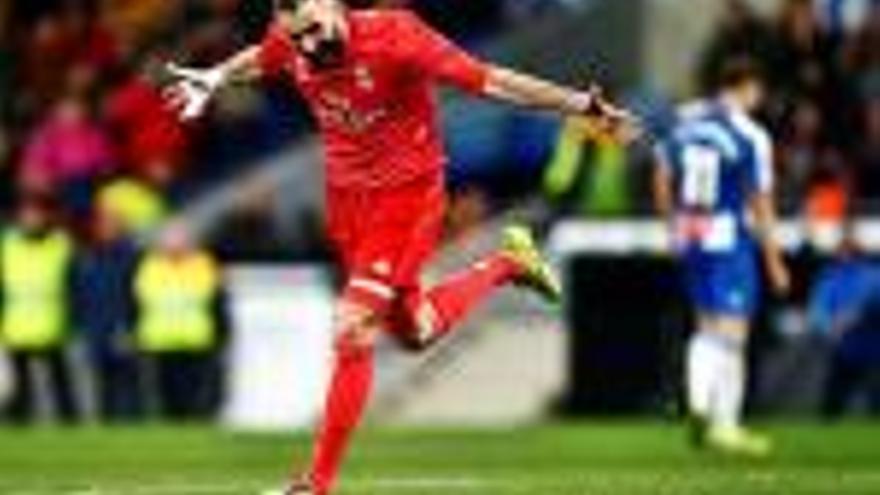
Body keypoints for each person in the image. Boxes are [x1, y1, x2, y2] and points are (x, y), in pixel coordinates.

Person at [164, 1, 638, 493]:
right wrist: (216, 76)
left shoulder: (396, 36)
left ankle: (315, 485)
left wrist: (580, 105)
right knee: (415, 332)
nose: (305, 46)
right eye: (295, 36)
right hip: (348, 206)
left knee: (353, 327)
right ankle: (507, 264)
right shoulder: (292, 36)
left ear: (333, 4)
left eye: (311, 31)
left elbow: (492, 80)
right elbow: (262, 57)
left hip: (407, 198)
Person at [653, 58, 791, 457]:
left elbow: (660, 174)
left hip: (691, 234)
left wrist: (672, 226)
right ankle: (709, 411)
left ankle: (714, 421)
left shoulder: (685, 119)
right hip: (729, 238)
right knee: (731, 333)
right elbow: (760, 202)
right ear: (747, 87)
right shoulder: (750, 134)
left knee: (707, 325)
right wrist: (775, 259)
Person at [0, 197, 78, 423]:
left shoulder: (60, 244)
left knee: (60, 381)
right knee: (19, 385)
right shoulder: (7, 245)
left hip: (52, 323)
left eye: (36, 215)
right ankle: (20, 424)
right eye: (27, 215)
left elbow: (74, 283)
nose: (32, 220)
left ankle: (69, 425)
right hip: (16, 326)